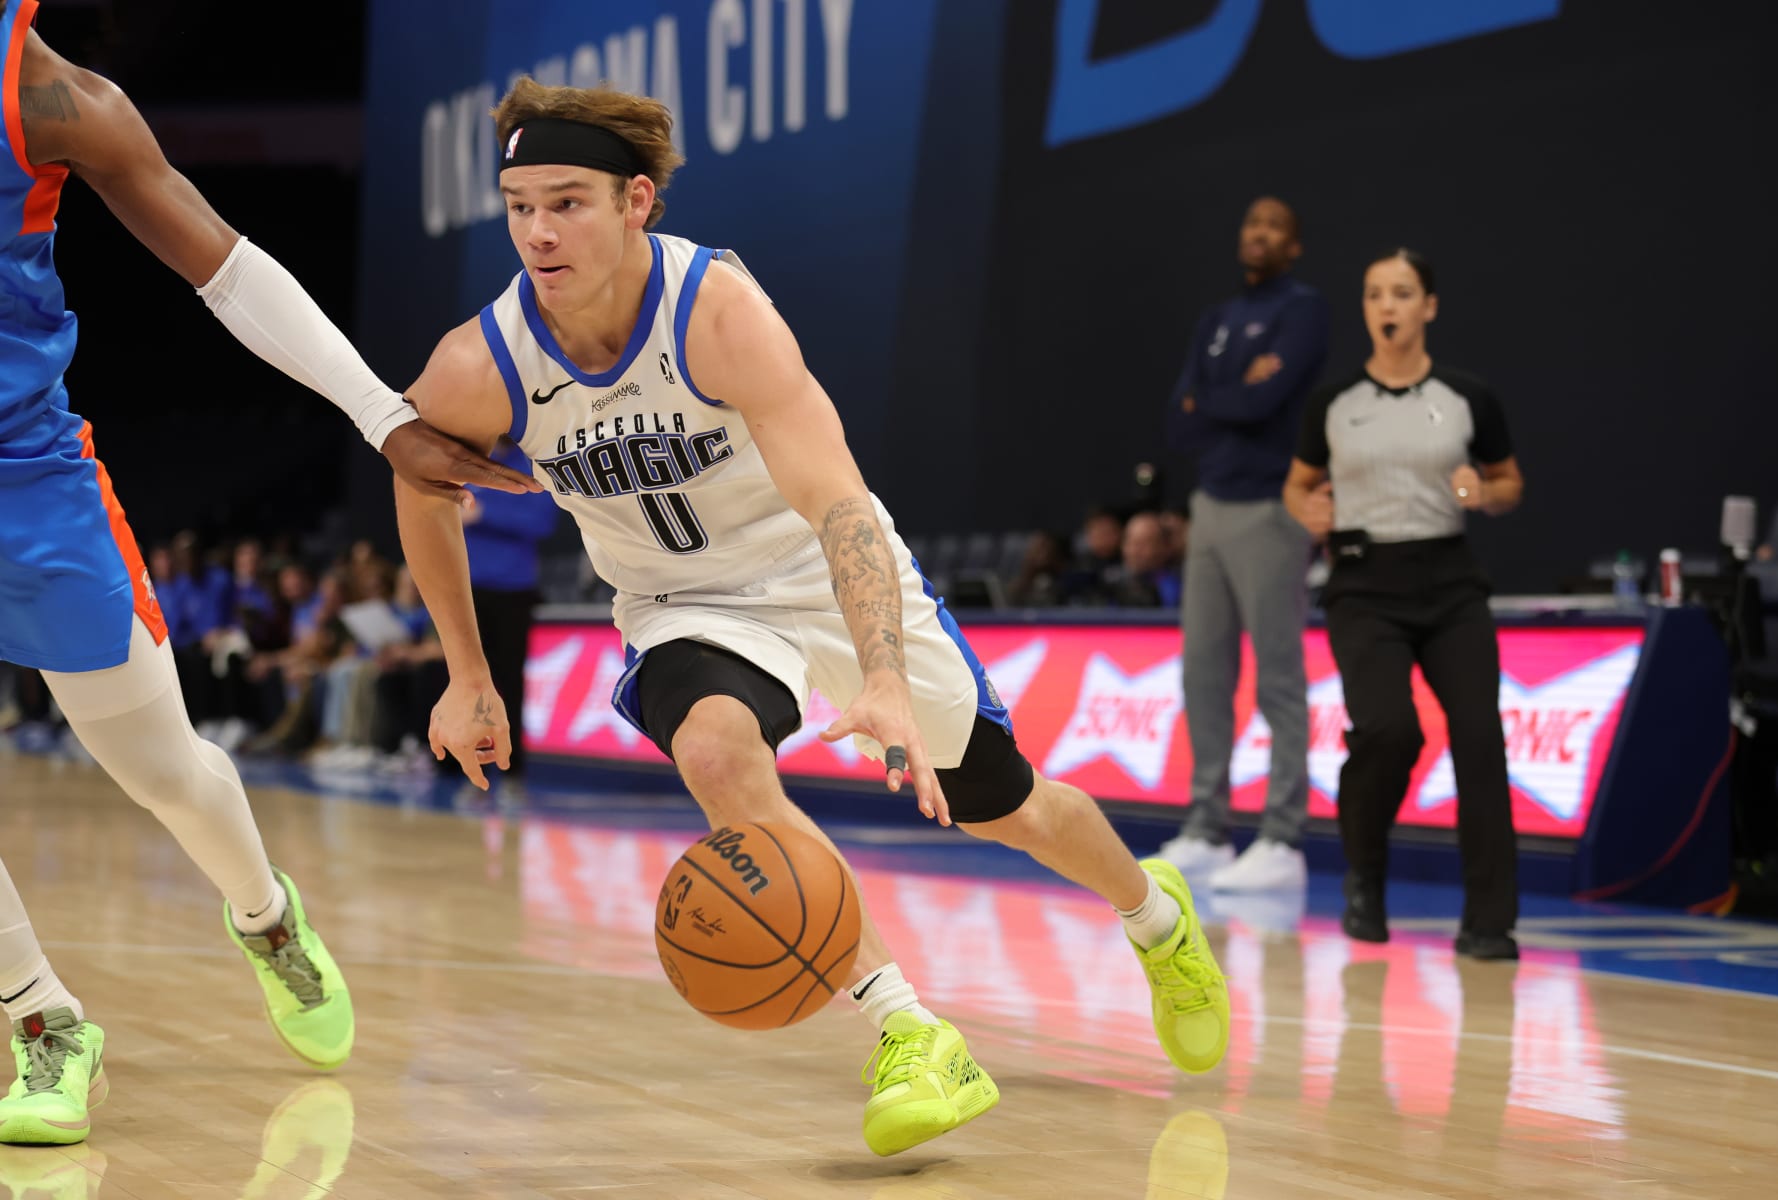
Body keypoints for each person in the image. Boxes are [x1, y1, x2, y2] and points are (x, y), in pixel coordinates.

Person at [393, 78, 1230, 1158]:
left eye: (568, 203)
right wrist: (467, 674)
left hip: (816, 566)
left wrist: (881, 674)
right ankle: (909, 1029)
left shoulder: (716, 313)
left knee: (1007, 808)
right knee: (715, 752)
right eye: (519, 207)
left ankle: (1155, 918)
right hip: (684, 605)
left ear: (636, 200)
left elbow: (838, 504)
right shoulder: (484, 361)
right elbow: (420, 483)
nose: (538, 233)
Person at [0, 2, 539, 1145]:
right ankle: (43, 1021)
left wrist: (383, 416)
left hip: (26, 486)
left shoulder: (52, 97)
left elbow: (229, 269)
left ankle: (265, 915)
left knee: (164, 770)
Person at [1283, 248, 1525, 961]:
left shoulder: (1466, 395)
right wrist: (1307, 510)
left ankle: (1489, 923)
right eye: (1374, 294)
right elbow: (1297, 485)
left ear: (1430, 306)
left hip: (1449, 580)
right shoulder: (1334, 403)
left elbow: (1510, 482)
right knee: (1389, 731)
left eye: (1402, 292)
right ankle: (1365, 872)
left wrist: (1484, 492)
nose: (1386, 306)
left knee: (1479, 736)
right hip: (1364, 583)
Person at [1156, 197, 1328, 893]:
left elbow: (1264, 403)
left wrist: (1212, 398)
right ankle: (1207, 827)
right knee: (1203, 672)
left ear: (1294, 245)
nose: (1259, 233)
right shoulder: (1218, 319)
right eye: (1252, 223)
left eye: (1275, 226)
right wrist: (1230, 394)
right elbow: (1179, 421)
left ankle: (1283, 836)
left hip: (1271, 506)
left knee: (1278, 675)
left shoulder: (1303, 310)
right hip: (1211, 505)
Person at [460, 437, 562, 779]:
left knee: (509, 680)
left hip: (512, 589)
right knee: (466, 680)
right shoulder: (468, 463)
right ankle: (468, 765)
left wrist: (484, 514)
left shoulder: (531, 466)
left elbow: (542, 522)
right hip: (468, 589)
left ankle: (512, 770)